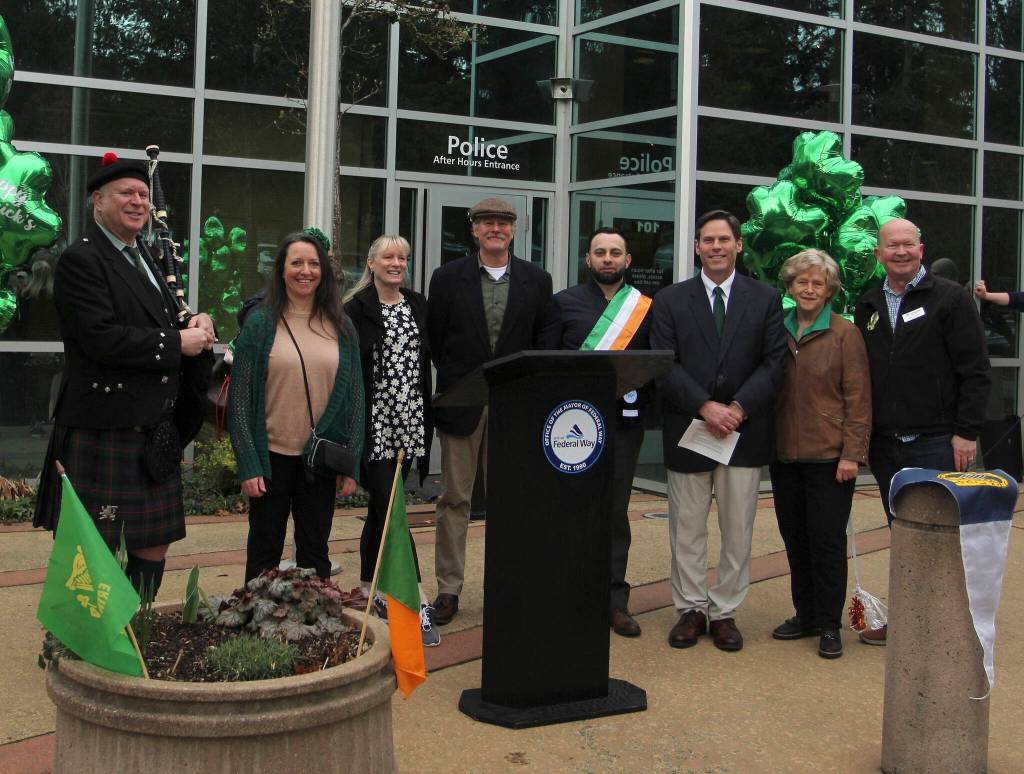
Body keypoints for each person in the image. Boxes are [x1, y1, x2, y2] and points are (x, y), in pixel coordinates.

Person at [33, 153, 216, 598]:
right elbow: (100, 339)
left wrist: (196, 322)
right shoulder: (82, 260)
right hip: (105, 424)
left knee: (155, 540)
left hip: (153, 428)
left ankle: (138, 626)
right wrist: (176, 344)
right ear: (98, 200)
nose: (138, 202)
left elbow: (165, 318)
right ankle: (84, 646)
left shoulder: (148, 255)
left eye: (143, 195)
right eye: (126, 194)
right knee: (93, 547)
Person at [650, 209, 787, 652]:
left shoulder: (765, 298)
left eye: (723, 239)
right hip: (689, 428)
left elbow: (775, 362)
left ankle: (724, 611)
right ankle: (690, 609)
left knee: (737, 529)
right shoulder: (670, 299)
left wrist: (738, 408)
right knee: (686, 528)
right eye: (707, 240)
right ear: (696, 248)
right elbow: (663, 363)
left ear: (738, 245)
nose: (716, 247)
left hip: (742, 432)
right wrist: (705, 406)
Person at [854, 217, 990, 645]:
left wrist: (966, 432)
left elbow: (975, 370)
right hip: (886, 446)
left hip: (937, 442)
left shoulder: (950, 299)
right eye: (891, 246)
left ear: (921, 249)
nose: (900, 252)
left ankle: (945, 627)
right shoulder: (869, 303)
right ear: (879, 254)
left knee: (942, 537)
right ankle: (912, 622)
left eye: (907, 245)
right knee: (905, 536)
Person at [427, 196, 553, 625]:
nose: (495, 229)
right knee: (455, 498)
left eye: (503, 223)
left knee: (512, 499)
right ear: (474, 230)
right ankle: (448, 589)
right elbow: (436, 340)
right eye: (487, 223)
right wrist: (461, 382)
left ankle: (508, 582)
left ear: (514, 230)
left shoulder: (538, 280)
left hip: (514, 407)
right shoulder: (445, 279)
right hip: (463, 403)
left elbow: (543, 341)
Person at [229, 232, 364, 583]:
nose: (306, 271)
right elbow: (241, 399)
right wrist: (248, 462)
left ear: (324, 271)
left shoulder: (342, 326)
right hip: (270, 458)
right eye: (297, 263)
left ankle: (315, 631)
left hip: (319, 460)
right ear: (281, 270)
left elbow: (355, 400)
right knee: (264, 551)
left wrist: (351, 463)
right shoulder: (259, 324)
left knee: (315, 551)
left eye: (313, 263)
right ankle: (258, 631)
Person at [539, 227, 653, 638]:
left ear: (627, 261)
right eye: (600, 252)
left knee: (614, 514)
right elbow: (547, 364)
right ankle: (568, 596)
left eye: (615, 252)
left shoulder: (644, 308)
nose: (607, 258)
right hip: (572, 429)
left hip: (623, 427)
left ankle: (613, 601)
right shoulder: (563, 303)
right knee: (570, 511)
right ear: (587, 259)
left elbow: (653, 367)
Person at [769, 249, 871, 659]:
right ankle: (805, 613)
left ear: (830, 290)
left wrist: (852, 454)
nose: (809, 289)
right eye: (801, 282)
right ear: (789, 287)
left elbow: (859, 399)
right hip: (784, 455)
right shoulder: (778, 330)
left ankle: (829, 624)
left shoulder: (846, 334)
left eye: (818, 283)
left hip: (830, 457)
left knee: (826, 543)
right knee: (795, 539)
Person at [343, 234, 438, 646]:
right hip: (374, 422)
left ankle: (369, 586)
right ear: (371, 262)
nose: (396, 262)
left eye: (403, 256)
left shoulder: (418, 305)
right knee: (390, 503)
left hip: (411, 420)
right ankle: (413, 599)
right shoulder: (354, 309)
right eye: (388, 256)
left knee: (382, 506)